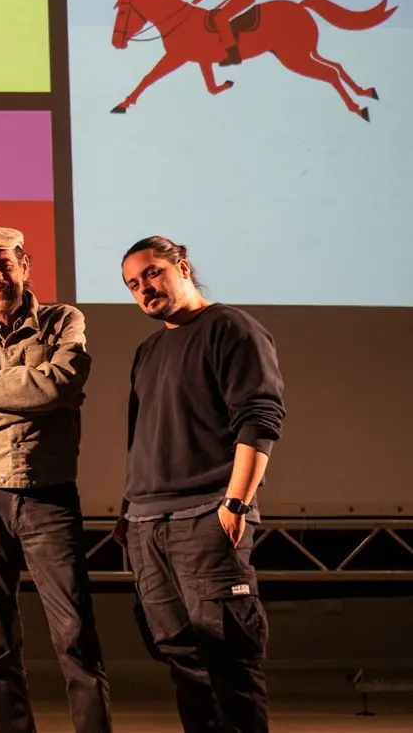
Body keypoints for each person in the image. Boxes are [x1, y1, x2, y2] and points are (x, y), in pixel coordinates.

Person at [0, 227, 112, 733]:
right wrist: (27, 400)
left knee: (76, 635)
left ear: (25, 265)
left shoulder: (64, 320)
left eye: (4, 263)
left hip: (49, 497)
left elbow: (61, 383)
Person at [117, 236, 284, 733]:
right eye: (131, 284)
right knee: (183, 664)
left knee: (228, 661)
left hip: (206, 517)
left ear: (182, 267)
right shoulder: (148, 350)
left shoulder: (231, 328)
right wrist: (127, 514)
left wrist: (236, 501)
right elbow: (140, 437)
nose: (143, 288)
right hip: (148, 525)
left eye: (151, 273)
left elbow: (259, 418)